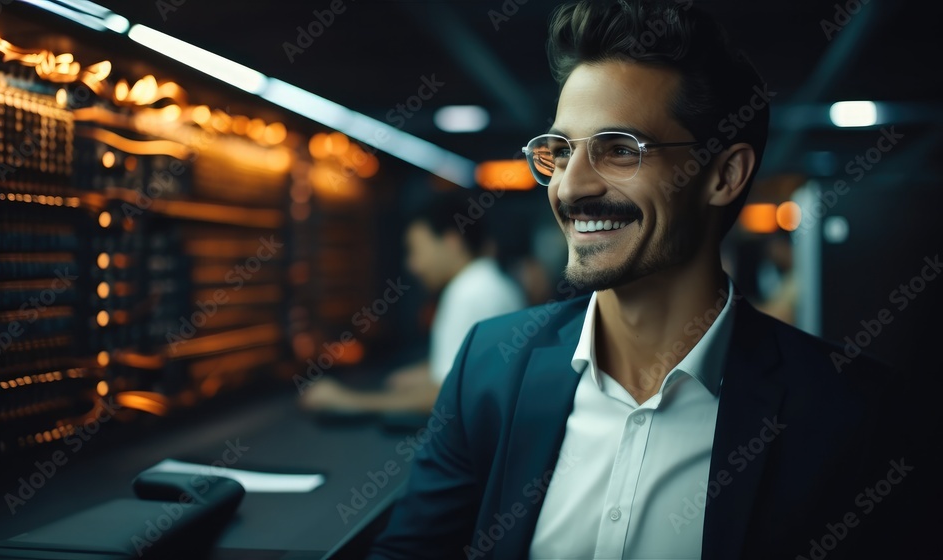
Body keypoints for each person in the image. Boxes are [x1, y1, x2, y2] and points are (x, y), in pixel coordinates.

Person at [367, 1, 912, 559]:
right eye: (560, 151)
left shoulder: (850, 412)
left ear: (723, 175)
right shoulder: (491, 366)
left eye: (620, 150)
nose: (570, 187)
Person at [300, 191, 525, 414]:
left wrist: (349, 401)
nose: (413, 265)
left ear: (451, 242)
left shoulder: (468, 292)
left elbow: (447, 396)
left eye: (417, 250)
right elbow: (473, 370)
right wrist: (427, 373)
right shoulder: (487, 281)